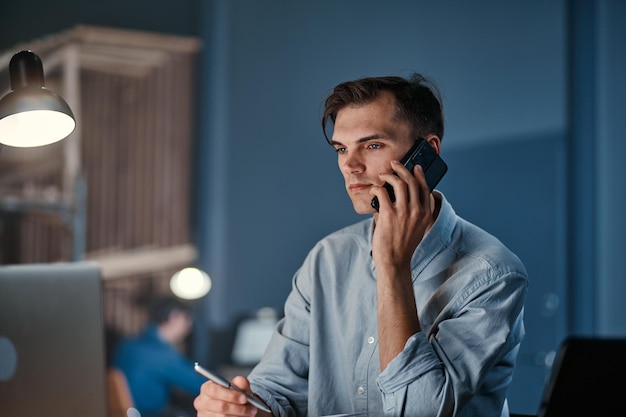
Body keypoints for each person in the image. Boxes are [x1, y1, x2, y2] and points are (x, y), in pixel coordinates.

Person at [194, 73, 528, 417]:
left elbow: (418, 411)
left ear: (427, 152)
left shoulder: (492, 274)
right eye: (341, 149)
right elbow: (279, 387)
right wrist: (245, 407)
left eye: (372, 146)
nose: (350, 166)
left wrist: (392, 267)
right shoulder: (327, 258)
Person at [113, 295, 205, 417]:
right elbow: (200, 385)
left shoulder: (127, 344)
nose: (189, 326)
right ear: (174, 316)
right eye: (187, 318)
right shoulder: (160, 353)